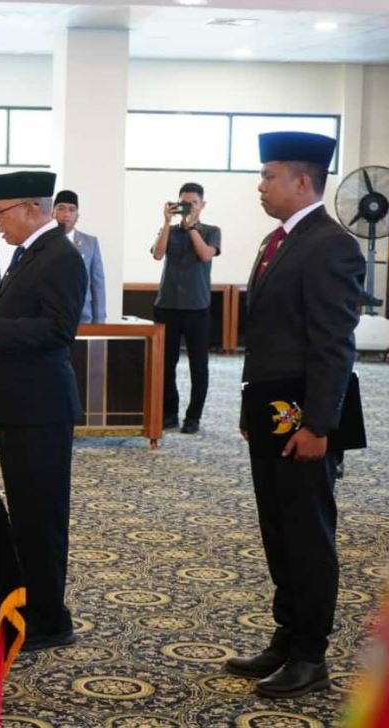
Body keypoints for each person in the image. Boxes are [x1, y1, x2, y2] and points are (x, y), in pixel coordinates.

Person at [225, 131, 364, 698]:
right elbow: (265, 336)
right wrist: (250, 408)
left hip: (305, 417)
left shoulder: (331, 245)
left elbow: (334, 343)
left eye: (268, 176)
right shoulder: (276, 240)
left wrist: (318, 425)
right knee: (278, 528)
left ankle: (311, 654)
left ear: (302, 180)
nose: (260, 186)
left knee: (307, 533)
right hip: (270, 410)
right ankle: (286, 636)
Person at [0, 171, 87, 651]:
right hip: (19, 402)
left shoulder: (61, 256)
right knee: (27, 514)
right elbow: (16, 318)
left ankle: (51, 620)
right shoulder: (29, 253)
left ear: (32, 208)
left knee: (42, 516)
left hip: (42, 406)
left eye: (1, 212)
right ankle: (32, 605)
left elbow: (59, 329)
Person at [151, 182, 221, 434]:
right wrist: (167, 223)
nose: (188, 207)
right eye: (184, 202)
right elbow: (158, 254)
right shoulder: (168, 230)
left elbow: (205, 254)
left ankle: (193, 417)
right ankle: (169, 414)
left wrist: (191, 227)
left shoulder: (211, 231)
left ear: (202, 205)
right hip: (167, 306)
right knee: (165, 364)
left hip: (197, 307)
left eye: (193, 203)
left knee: (198, 366)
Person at [54, 190, 106, 324]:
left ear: (77, 216)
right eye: (61, 209)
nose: (66, 214)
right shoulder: (42, 242)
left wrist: (99, 321)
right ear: (52, 213)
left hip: (83, 317)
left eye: (71, 210)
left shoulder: (90, 243)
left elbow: (97, 284)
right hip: (49, 318)